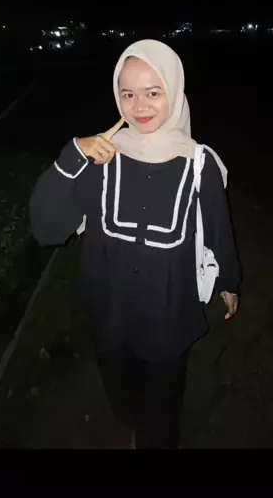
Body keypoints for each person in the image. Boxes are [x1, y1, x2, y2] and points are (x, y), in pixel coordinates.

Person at [30, 39, 242, 448]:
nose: (139, 106)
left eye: (153, 92)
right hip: (108, 313)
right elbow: (46, 230)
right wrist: (73, 155)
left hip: (169, 318)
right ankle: (133, 425)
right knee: (121, 391)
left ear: (174, 91)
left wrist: (229, 281)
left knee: (162, 408)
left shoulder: (200, 165)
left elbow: (218, 228)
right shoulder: (100, 159)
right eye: (128, 93)